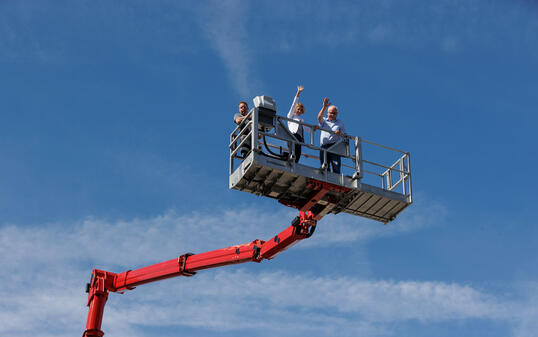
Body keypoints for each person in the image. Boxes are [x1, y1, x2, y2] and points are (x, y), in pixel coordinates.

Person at [317, 97, 346, 173]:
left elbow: (345, 136)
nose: (332, 114)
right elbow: (319, 118)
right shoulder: (325, 120)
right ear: (327, 113)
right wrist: (324, 107)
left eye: (334, 113)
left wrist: (340, 133)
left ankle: (337, 183)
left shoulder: (340, 123)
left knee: (336, 167)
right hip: (324, 146)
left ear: (337, 114)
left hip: (334, 146)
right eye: (330, 113)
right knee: (324, 166)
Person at [287, 85, 310, 163]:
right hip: (292, 135)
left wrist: (315, 128)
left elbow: (307, 129)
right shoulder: (291, 116)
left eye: (301, 110)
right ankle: (290, 163)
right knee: (292, 151)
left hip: (299, 137)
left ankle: (295, 164)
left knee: (298, 153)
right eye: (298, 109)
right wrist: (298, 93)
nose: (299, 111)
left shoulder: (302, 120)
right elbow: (293, 104)